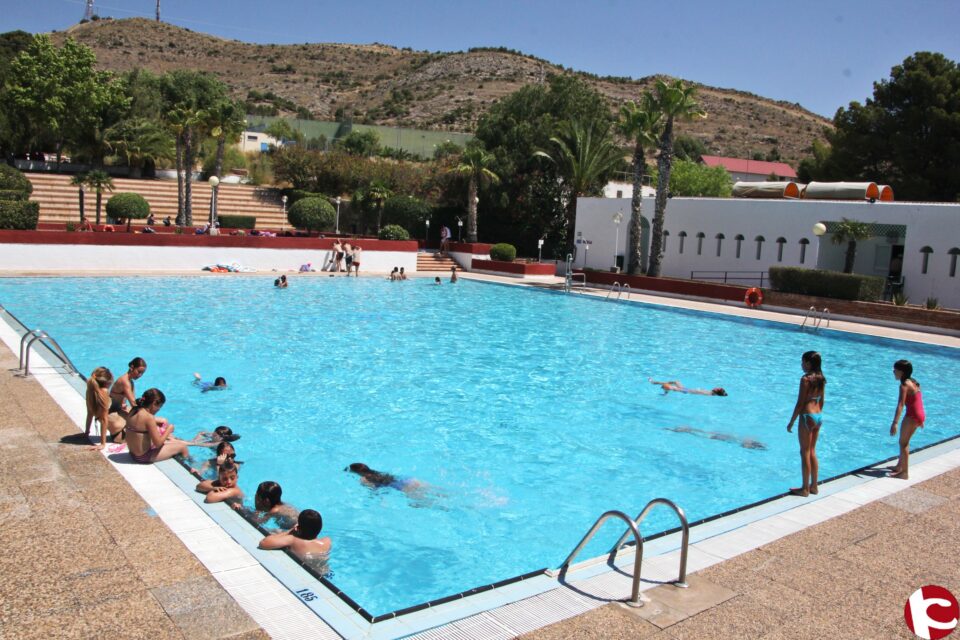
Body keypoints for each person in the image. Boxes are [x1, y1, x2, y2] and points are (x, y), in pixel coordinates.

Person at [786, 351, 826, 497]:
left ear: (809, 363)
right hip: (818, 416)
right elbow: (822, 401)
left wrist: (791, 421)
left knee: (804, 452)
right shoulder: (821, 378)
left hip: (806, 417)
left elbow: (800, 403)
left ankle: (804, 489)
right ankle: (814, 486)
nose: (801, 365)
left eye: (803, 362)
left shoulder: (805, 379)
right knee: (813, 451)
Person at [124, 389, 189, 464]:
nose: (158, 410)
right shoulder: (149, 417)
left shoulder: (134, 410)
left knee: (170, 442)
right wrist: (169, 429)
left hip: (132, 453)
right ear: (154, 403)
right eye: (159, 407)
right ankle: (188, 464)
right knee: (183, 447)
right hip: (143, 457)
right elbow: (158, 444)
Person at [888, 360, 925, 479]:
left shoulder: (904, 385)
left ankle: (904, 473)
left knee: (903, 443)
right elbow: (917, 399)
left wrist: (895, 423)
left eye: (895, 370)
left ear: (901, 372)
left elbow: (900, 404)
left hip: (912, 416)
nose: (893, 372)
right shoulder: (914, 382)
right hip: (919, 414)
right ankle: (900, 466)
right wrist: (920, 419)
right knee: (905, 441)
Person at [258, 509, 331, 562]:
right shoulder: (327, 541)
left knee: (275, 531)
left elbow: (263, 543)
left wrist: (290, 531)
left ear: (298, 528)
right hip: (326, 574)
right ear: (320, 527)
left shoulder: (293, 540)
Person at [85, 367, 126, 450]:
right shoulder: (104, 392)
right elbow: (104, 419)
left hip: (120, 431)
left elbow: (90, 413)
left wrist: (86, 432)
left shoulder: (90, 391)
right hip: (122, 433)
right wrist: (102, 444)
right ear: (108, 382)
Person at [346, 462, 424, 495]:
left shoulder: (363, 480)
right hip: (408, 480)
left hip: (401, 487)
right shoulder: (377, 472)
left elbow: (375, 492)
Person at [648, 378, 727, 396]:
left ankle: (653, 383)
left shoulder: (709, 393)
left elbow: (696, 392)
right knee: (676, 381)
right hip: (686, 389)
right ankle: (665, 393)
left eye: (717, 388)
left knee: (666, 385)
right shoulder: (711, 392)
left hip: (684, 391)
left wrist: (677, 389)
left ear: (717, 391)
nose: (716, 387)